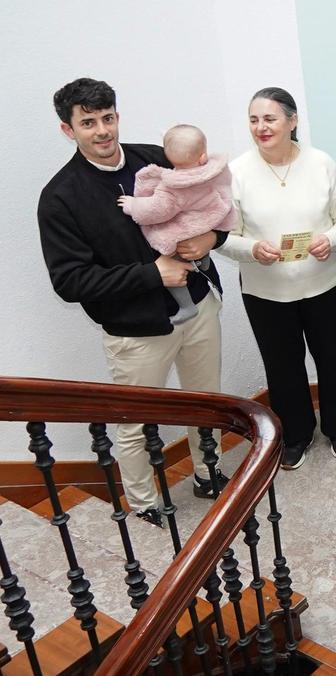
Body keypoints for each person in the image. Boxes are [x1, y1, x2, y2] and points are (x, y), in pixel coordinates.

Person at [37, 78, 227, 528]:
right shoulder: (59, 198)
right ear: (69, 130)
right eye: (88, 123)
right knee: (136, 423)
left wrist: (212, 237)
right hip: (135, 330)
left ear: (117, 116)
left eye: (107, 118)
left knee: (208, 403)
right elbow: (69, 281)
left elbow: (210, 202)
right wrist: (151, 274)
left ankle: (208, 473)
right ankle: (143, 502)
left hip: (199, 307)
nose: (102, 130)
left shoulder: (156, 159)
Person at [218, 87, 336, 470]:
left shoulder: (321, 164)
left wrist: (328, 240)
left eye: (270, 118)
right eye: (253, 120)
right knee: (281, 366)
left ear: (292, 121)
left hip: (324, 283)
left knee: (332, 357)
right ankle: (294, 434)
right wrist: (252, 250)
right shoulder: (236, 173)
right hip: (266, 290)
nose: (261, 127)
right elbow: (223, 236)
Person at [119, 124, 237, 326]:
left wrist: (132, 205)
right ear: (202, 157)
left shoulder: (172, 187)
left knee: (172, 259)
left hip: (187, 230)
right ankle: (203, 260)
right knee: (197, 243)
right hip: (210, 220)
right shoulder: (214, 170)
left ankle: (186, 305)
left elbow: (155, 211)